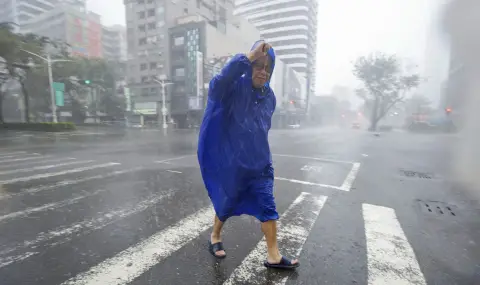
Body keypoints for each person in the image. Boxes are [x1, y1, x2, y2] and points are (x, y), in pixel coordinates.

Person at [197, 40, 299, 269]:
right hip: (234, 165)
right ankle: (215, 235)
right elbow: (216, 85)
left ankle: (273, 255)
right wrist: (247, 56)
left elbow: (262, 130)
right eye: (258, 65)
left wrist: (265, 161)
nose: (263, 72)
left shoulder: (270, 97)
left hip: (259, 166)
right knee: (226, 205)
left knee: (268, 207)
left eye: (268, 68)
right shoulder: (233, 88)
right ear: (250, 64)